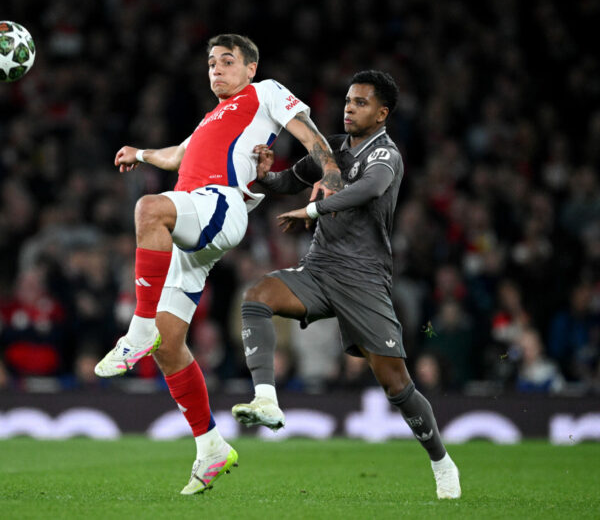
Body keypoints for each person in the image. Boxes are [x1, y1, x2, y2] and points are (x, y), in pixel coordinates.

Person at [93, 33, 342, 495]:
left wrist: (329, 172)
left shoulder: (263, 92)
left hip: (220, 204)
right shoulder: (210, 119)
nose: (216, 69)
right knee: (170, 348)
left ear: (250, 68)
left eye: (227, 61)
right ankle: (210, 447)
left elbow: (309, 132)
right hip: (194, 221)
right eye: (210, 63)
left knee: (149, 209)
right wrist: (141, 153)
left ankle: (138, 326)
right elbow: (177, 156)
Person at [231, 70, 462, 499]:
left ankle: (442, 462)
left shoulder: (386, 156)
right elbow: (287, 182)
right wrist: (265, 174)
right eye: (348, 101)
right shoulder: (332, 147)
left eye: (360, 102)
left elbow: (368, 191)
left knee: (396, 385)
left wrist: (312, 212)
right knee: (256, 297)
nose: (349, 108)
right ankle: (266, 398)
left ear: (382, 112)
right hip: (320, 269)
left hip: (364, 280)